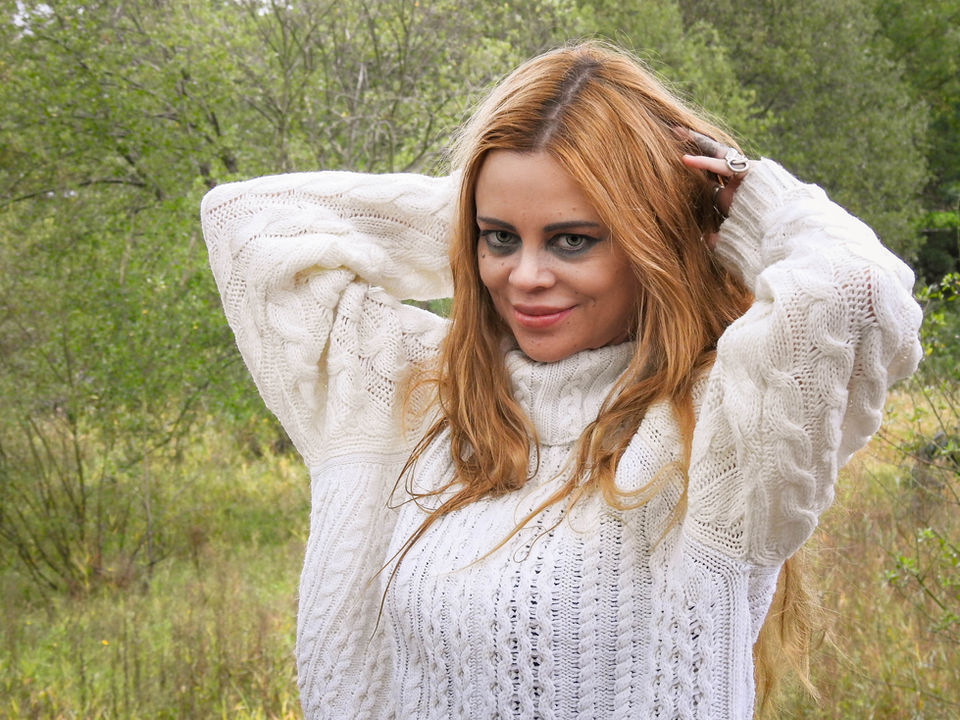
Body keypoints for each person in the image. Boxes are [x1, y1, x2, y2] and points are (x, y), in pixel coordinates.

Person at [200, 41, 922, 720]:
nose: (527, 278)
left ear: (653, 241)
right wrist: (497, 202)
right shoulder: (415, 391)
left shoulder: (720, 429)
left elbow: (853, 293)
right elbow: (244, 223)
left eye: (574, 238)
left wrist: (731, 197)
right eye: (500, 239)